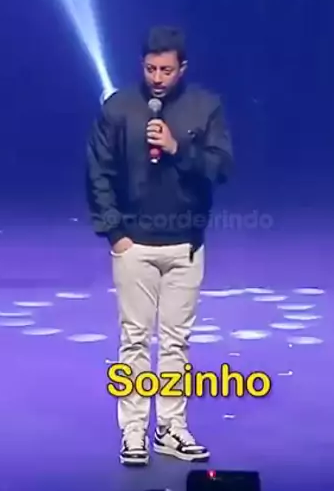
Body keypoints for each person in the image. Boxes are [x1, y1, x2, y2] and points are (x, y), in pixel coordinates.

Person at [85, 25, 233, 466]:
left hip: (185, 245)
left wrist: (176, 147)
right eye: (151, 69)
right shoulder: (119, 108)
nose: (157, 78)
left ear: (182, 67)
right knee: (133, 340)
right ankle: (133, 432)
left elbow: (221, 168)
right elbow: (98, 173)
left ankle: (171, 428)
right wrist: (116, 235)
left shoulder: (205, 106)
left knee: (175, 343)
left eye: (166, 70)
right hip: (134, 245)